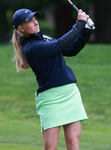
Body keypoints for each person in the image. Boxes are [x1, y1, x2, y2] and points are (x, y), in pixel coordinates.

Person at [12, 8, 92, 150]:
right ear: (21, 28)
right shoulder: (31, 47)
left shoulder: (45, 39)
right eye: (30, 21)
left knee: (73, 143)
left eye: (35, 19)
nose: (36, 23)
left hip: (70, 93)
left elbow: (71, 50)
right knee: (51, 147)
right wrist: (80, 23)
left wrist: (86, 30)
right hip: (50, 99)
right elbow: (61, 44)